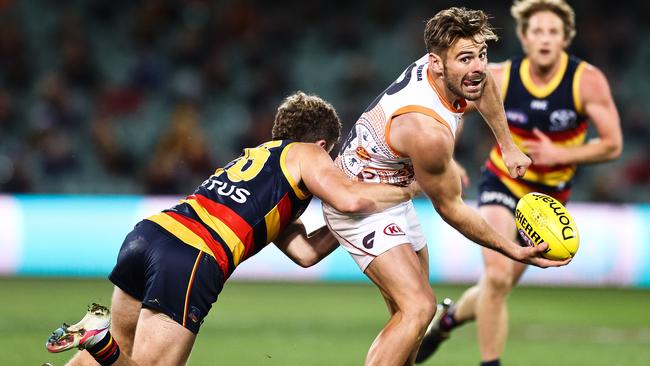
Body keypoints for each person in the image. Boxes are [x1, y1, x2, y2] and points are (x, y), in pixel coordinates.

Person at [45, 91, 422, 366]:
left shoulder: (262, 164)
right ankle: (98, 341)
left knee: (124, 351)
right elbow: (351, 199)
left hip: (149, 235)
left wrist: (348, 223)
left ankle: (97, 342)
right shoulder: (308, 154)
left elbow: (306, 253)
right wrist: (405, 190)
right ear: (322, 144)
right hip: (192, 256)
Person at [322, 7, 570, 366]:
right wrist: (511, 249)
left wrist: (508, 145)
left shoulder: (453, 73)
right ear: (436, 63)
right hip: (360, 201)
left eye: (482, 55)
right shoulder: (427, 131)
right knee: (420, 307)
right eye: (466, 58)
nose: (478, 67)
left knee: (411, 322)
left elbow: (484, 86)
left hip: (393, 188)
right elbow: (450, 208)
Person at [415, 1, 623, 365]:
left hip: (549, 196)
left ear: (565, 38)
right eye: (537, 31)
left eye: (553, 32)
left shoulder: (586, 81)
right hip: (503, 182)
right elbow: (455, 108)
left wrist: (561, 155)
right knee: (496, 277)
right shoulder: (500, 74)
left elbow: (612, 145)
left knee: (499, 284)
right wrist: (448, 159)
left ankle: (447, 319)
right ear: (524, 37)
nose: (544, 39)